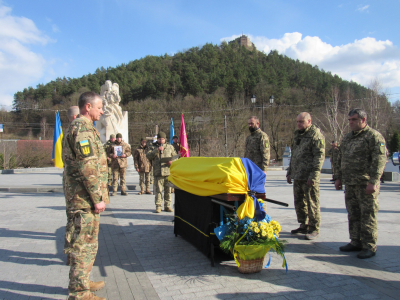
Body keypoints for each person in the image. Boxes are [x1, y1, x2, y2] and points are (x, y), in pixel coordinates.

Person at [63, 92, 109, 300]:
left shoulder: (87, 128)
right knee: (82, 245)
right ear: (88, 107)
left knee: (88, 244)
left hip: (84, 198)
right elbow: (87, 166)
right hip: (84, 199)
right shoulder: (81, 128)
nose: (102, 111)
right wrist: (97, 198)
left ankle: (83, 280)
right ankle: (80, 293)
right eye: (99, 107)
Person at [334, 108, 387, 259]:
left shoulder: (374, 136)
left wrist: (374, 181)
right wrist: (338, 177)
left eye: (354, 120)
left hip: (366, 184)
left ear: (363, 120)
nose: (350, 122)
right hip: (350, 183)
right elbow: (340, 158)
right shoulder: (348, 138)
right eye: (349, 120)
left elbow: (379, 161)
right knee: (353, 214)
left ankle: (369, 246)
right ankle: (355, 241)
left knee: (368, 215)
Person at [286, 112, 325, 240]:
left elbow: (319, 157)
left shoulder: (315, 135)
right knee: (299, 202)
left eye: (301, 122)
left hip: (309, 176)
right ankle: (304, 224)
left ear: (309, 121)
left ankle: (314, 228)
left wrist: (313, 176)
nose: (298, 124)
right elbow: (294, 155)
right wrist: (290, 171)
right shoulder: (297, 134)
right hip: (298, 175)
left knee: (312, 202)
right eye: (297, 122)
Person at [62, 106, 79, 266]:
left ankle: (70, 254)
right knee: (74, 221)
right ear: (75, 117)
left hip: (71, 184)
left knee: (71, 220)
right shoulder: (75, 133)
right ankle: (72, 256)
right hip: (75, 187)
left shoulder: (68, 133)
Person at [146, 132, 177, 213]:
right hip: (158, 172)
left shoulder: (170, 147)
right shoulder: (152, 147)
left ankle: (167, 206)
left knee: (168, 190)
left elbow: (175, 157)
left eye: (162, 139)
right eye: (159, 139)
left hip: (167, 172)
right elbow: (148, 156)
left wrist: (172, 162)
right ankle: (158, 206)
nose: (161, 140)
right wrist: (157, 150)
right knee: (158, 191)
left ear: (165, 139)